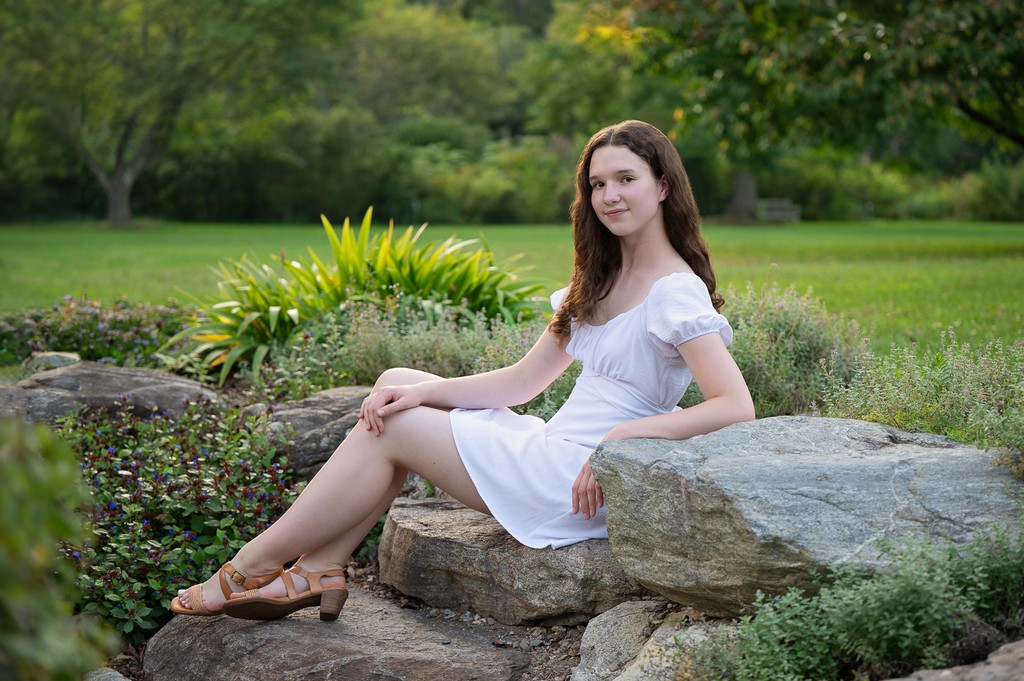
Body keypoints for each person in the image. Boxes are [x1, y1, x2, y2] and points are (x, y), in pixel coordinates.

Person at [170, 119, 755, 621]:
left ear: (663, 186)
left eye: (626, 179)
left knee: (395, 427)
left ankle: (251, 566)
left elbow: (734, 405)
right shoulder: (600, 280)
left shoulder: (674, 292)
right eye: (598, 183)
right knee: (395, 385)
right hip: (557, 447)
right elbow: (522, 384)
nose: (610, 196)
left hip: (583, 479)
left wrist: (620, 439)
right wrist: (422, 389)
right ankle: (320, 568)